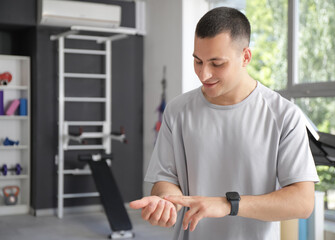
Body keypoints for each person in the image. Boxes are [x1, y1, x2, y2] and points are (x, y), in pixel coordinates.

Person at [130, 6, 319, 240]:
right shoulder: (177, 111)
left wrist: (228, 204)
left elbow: (302, 202)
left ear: (245, 57)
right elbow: (165, 179)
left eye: (217, 64)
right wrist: (166, 202)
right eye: (198, 61)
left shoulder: (284, 115)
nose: (204, 74)